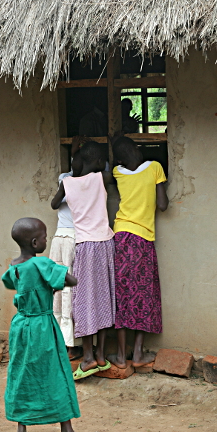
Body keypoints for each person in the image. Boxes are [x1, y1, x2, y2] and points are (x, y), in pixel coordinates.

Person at [1, 217, 90, 432]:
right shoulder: (41, 264)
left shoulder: (15, 265)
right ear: (34, 243)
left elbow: (10, 283)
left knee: (22, 373)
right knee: (56, 373)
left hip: (20, 325)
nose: (46, 240)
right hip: (42, 324)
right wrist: (55, 272)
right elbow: (72, 280)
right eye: (43, 237)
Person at [52, 141, 115, 380]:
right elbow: (108, 168)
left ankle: (88, 358)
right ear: (99, 162)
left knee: (85, 302)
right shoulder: (103, 177)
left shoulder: (67, 183)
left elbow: (54, 203)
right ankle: (101, 355)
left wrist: (68, 179)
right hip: (106, 244)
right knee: (105, 299)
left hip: (86, 246)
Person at [108, 137, 169, 368]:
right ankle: (139, 354)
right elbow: (162, 205)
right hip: (142, 239)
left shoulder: (117, 172)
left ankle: (122, 357)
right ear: (138, 149)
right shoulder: (155, 167)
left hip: (121, 235)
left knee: (123, 295)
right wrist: (157, 186)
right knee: (144, 293)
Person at [50, 150, 83, 361]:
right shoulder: (65, 178)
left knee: (71, 292)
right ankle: (58, 339)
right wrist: (68, 181)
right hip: (59, 237)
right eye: (74, 161)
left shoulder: (90, 181)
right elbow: (54, 204)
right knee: (56, 289)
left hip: (75, 237)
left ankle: (73, 344)